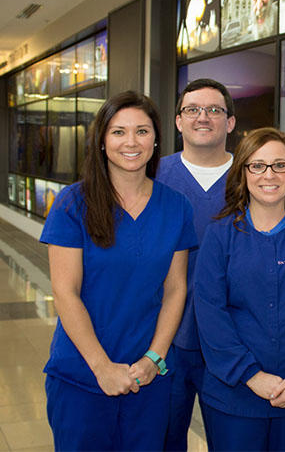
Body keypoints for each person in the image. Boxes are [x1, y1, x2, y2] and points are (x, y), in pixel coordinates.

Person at [40, 91, 196, 450]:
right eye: (118, 131)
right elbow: (65, 292)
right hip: (81, 376)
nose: (131, 141)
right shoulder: (72, 203)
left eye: (142, 131)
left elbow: (175, 289)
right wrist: (102, 367)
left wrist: (154, 358)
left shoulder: (176, 207)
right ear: (101, 141)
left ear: (156, 140)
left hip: (148, 379)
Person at [194, 127, 285, 451]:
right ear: (243, 173)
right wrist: (250, 375)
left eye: (280, 165)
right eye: (257, 165)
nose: (269, 175)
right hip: (234, 395)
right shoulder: (220, 236)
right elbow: (210, 314)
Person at [156, 78, 236, 450]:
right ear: (178, 121)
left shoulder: (253, 178)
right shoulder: (153, 176)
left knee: (233, 441)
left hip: (232, 342)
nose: (203, 117)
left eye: (214, 110)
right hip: (165, 340)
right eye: (193, 110)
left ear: (230, 122)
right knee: (165, 439)